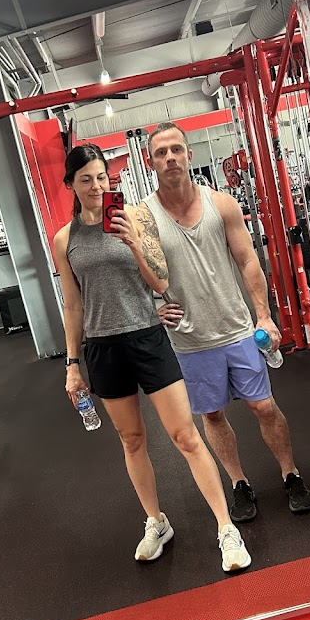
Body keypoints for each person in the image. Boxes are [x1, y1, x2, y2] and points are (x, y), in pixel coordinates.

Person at [52, 143, 251, 573]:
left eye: (102, 177)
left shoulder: (136, 218)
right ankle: (156, 522)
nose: (96, 186)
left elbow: (160, 282)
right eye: (86, 180)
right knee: (132, 441)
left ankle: (226, 528)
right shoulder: (65, 240)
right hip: (103, 349)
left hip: (147, 339)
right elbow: (73, 305)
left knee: (186, 436)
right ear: (70, 184)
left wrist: (133, 242)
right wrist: (72, 365)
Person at [145, 122, 310, 523]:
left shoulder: (221, 204)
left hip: (237, 328)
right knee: (213, 415)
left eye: (176, 149)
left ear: (189, 155)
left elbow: (247, 260)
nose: (170, 158)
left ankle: (290, 473)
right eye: (161, 153)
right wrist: (151, 310)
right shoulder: (144, 218)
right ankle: (239, 482)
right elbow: (132, 275)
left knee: (263, 406)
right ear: (151, 163)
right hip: (190, 339)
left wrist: (264, 315)